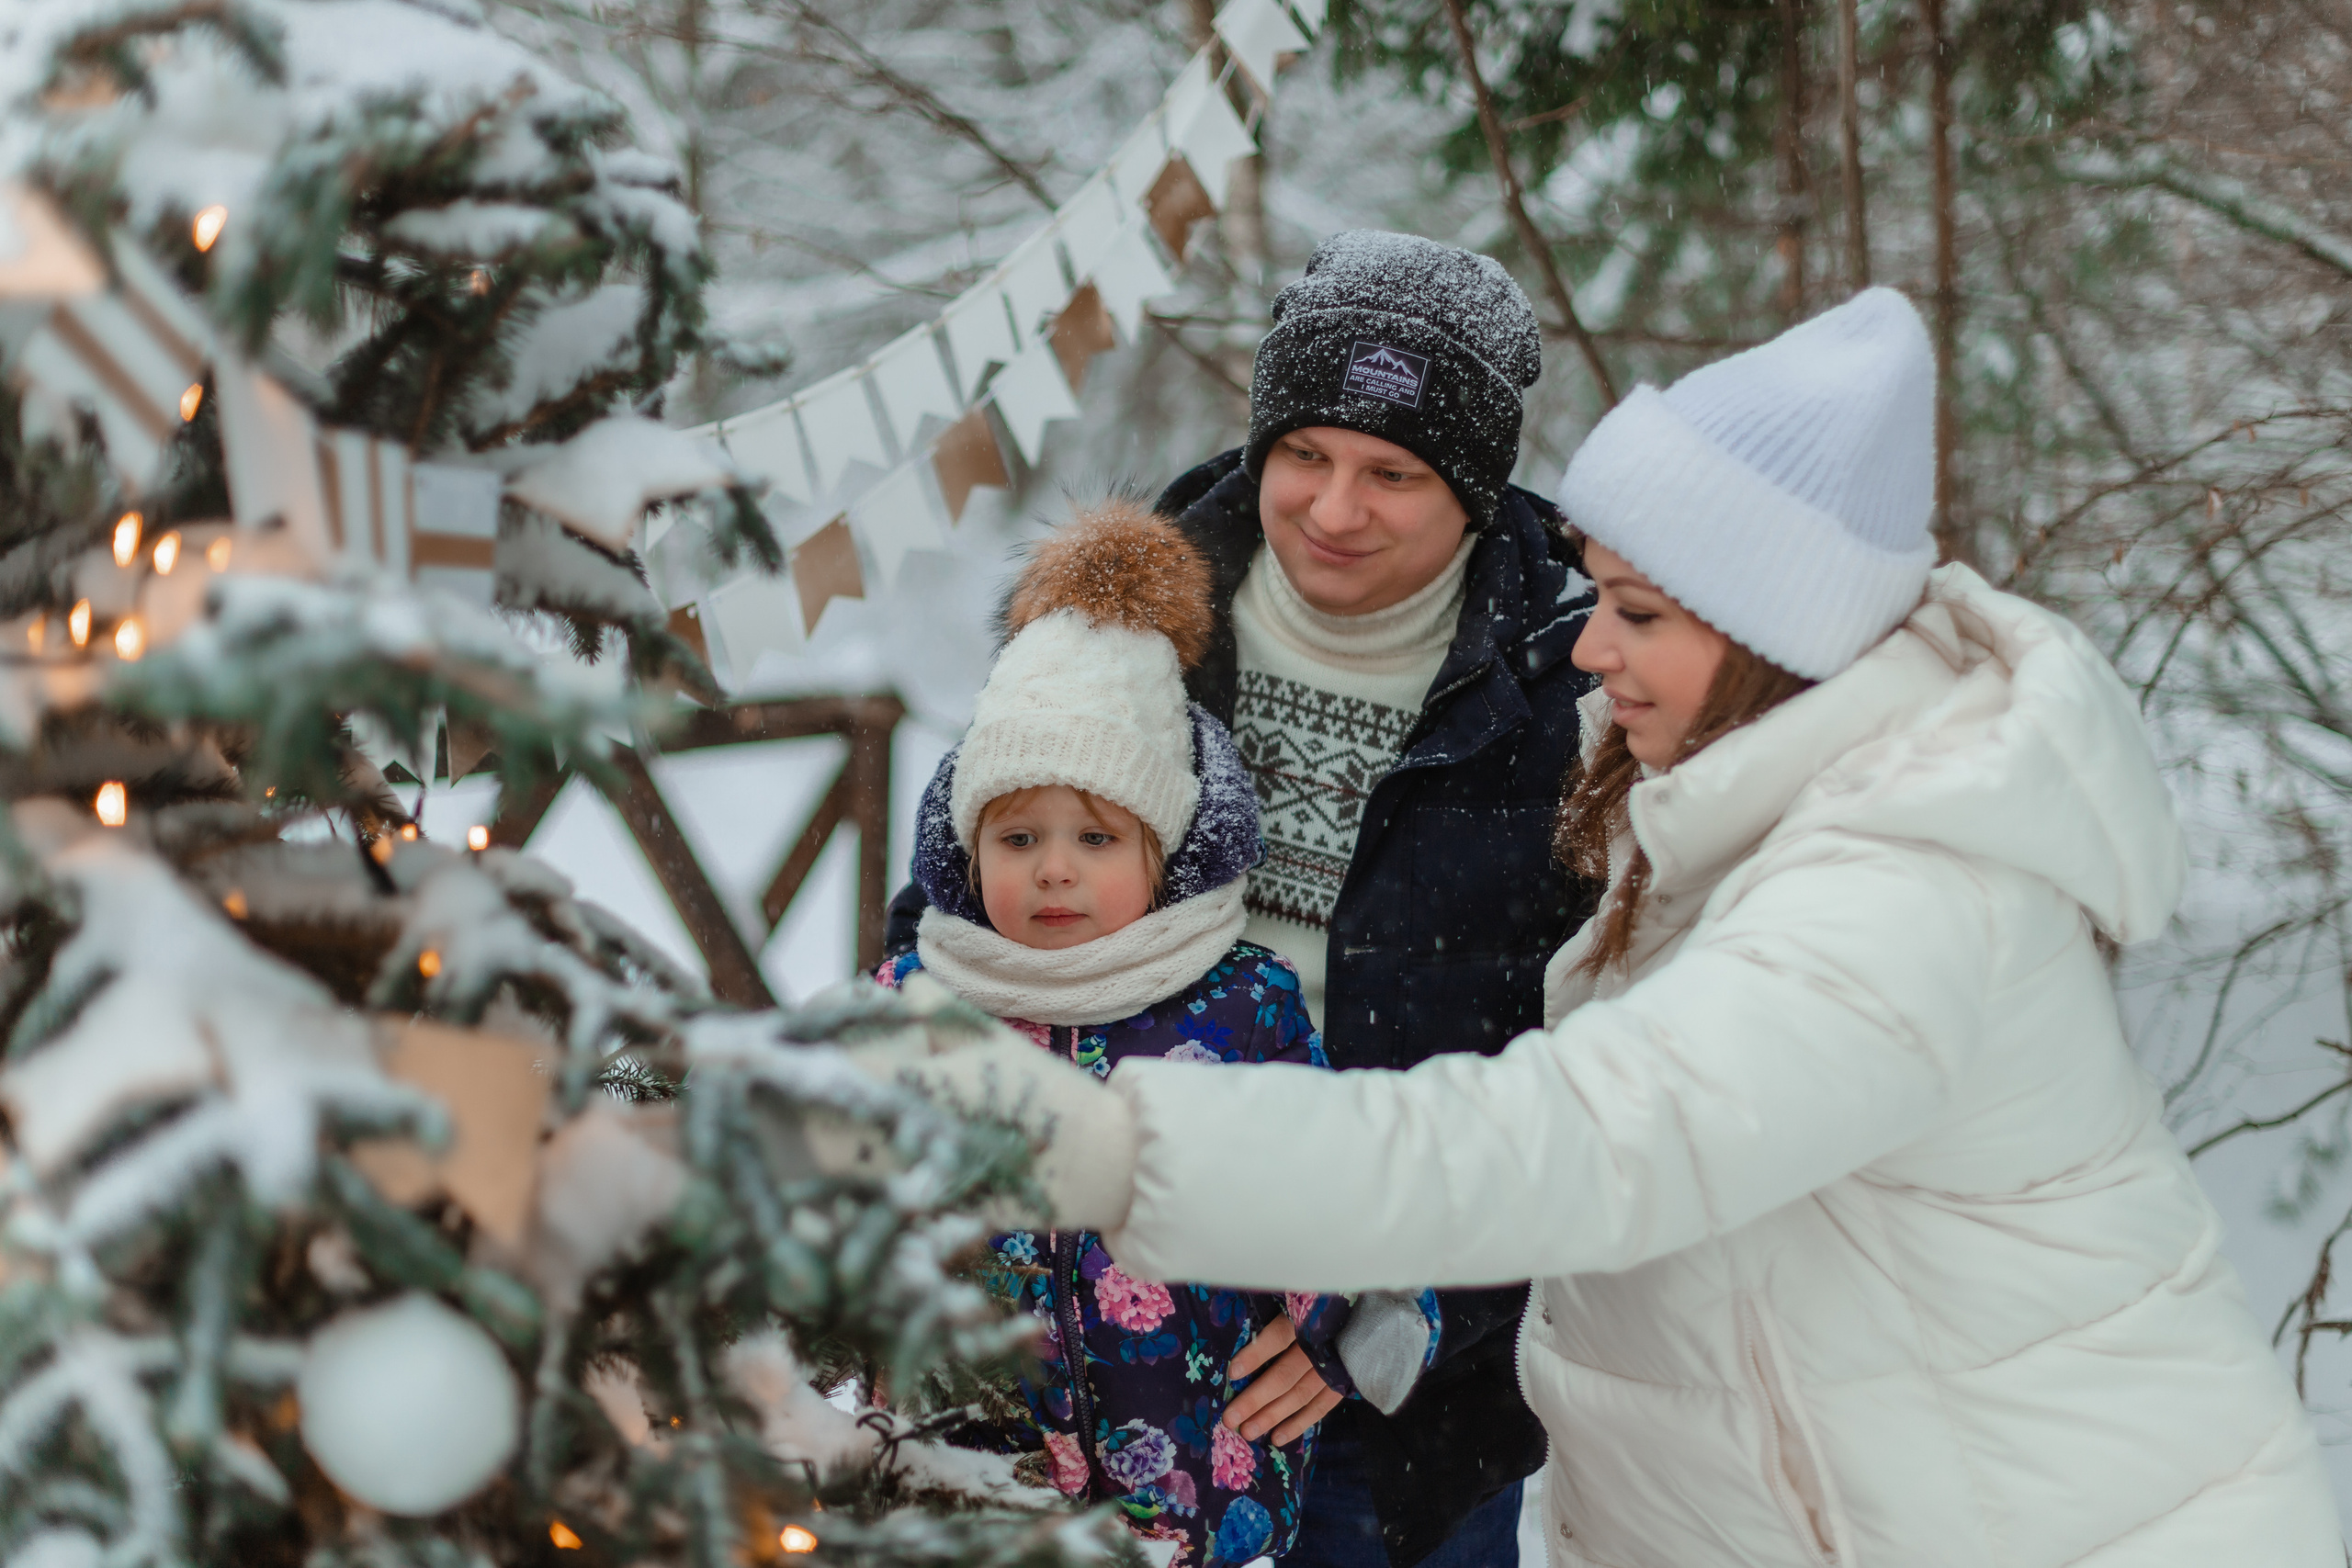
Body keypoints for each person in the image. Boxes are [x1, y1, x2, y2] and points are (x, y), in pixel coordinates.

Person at [881, 288, 2346, 1563]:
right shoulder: (1714, 810)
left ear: (1768, 634)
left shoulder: (1905, 890)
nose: (1586, 641)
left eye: (1638, 611)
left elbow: (1582, 1139)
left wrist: (1118, 1150)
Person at [888, 230, 1599, 1567]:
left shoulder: (1565, 703)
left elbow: (1603, 1071)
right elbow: (942, 921)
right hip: (1073, 1337)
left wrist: (1420, 1306)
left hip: (1395, 1402)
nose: (1335, 508)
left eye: (1393, 472)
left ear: (1476, 489)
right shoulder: (1125, 624)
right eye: (1305, 455)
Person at [876, 498, 1396, 1568]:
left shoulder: (1238, 1004)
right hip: (965, 1478)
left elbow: (1334, 1173)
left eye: (1097, 836)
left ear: (1166, 850)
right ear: (968, 849)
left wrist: (1338, 1320)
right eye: (1017, 835)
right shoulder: (917, 1005)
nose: (1054, 868)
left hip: (1191, 1486)